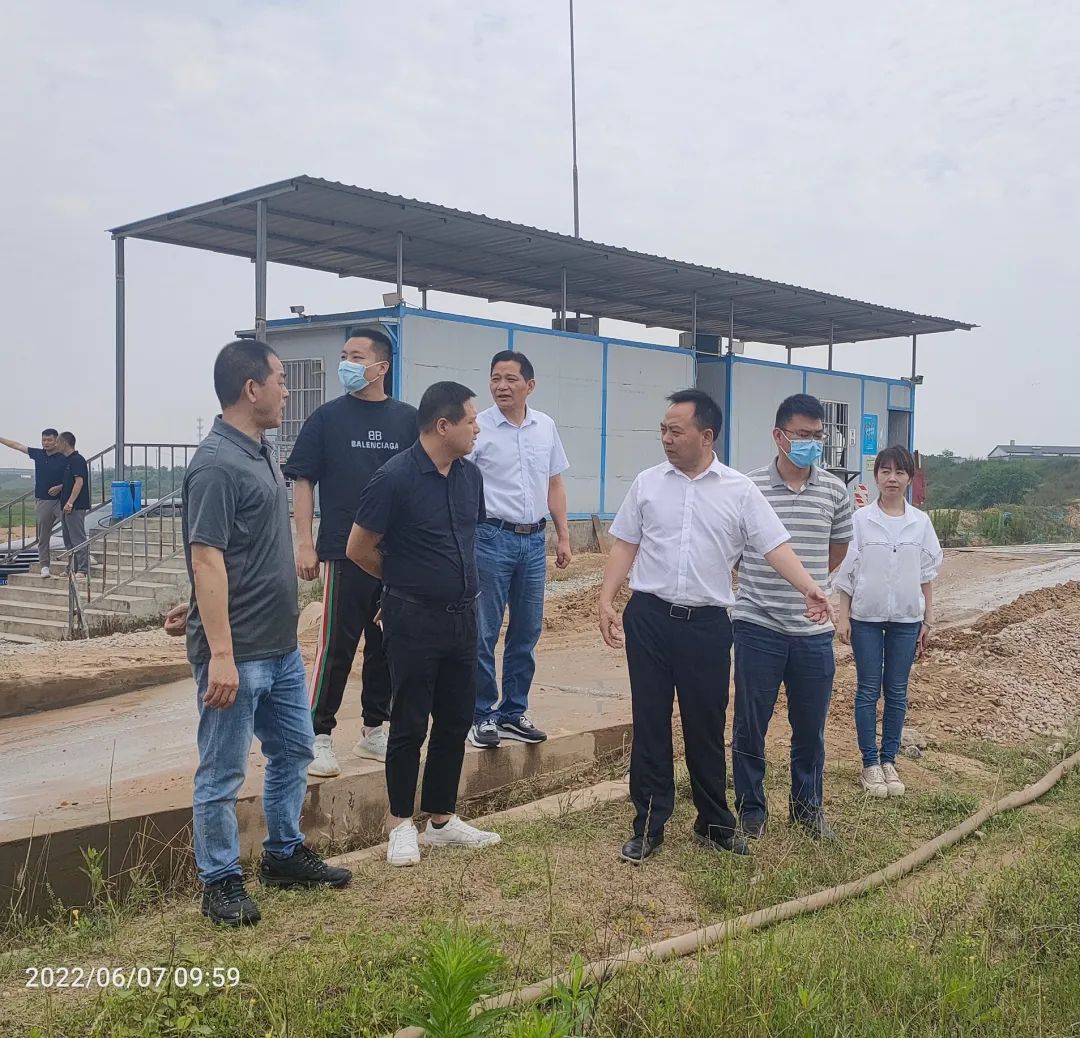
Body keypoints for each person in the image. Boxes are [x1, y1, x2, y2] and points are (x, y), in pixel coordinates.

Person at [598, 390, 831, 863]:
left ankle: (713, 823)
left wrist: (809, 586)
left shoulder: (738, 490)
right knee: (650, 721)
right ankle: (649, 823)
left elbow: (774, 546)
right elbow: (625, 543)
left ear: (706, 436)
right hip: (649, 618)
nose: (666, 438)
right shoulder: (647, 483)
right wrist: (606, 597)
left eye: (676, 431)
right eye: (663, 430)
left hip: (706, 625)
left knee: (705, 725)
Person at [179, 339, 351, 927]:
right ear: (251, 389)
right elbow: (206, 557)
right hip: (239, 652)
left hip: (278, 647)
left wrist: (192, 602)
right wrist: (220, 652)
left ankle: (282, 854)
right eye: (280, 379)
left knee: (295, 749)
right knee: (223, 771)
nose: (286, 390)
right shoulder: (216, 464)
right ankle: (220, 880)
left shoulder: (262, 452)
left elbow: (234, 549)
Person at [347, 381, 501, 867]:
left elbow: (464, 541)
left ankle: (441, 819)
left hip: (463, 617)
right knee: (409, 723)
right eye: (471, 421)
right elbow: (358, 548)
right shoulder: (394, 478)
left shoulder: (469, 477)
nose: (478, 429)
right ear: (443, 425)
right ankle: (400, 824)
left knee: (455, 720)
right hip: (412, 618)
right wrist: (401, 586)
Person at [283, 326, 418, 777]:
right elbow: (303, 480)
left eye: (356, 356)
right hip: (343, 551)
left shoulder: (407, 420)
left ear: (381, 367)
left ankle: (374, 729)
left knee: (387, 644)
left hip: (394, 556)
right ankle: (317, 735)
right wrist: (305, 543)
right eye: (344, 355)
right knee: (336, 645)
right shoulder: (326, 418)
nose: (346, 363)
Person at [731, 394, 853, 841]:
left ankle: (807, 808)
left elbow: (836, 551)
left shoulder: (835, 491)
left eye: (818, 436)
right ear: (778, 436)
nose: (811, 444)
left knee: (810, 727)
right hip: (757, 623)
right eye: (803, 435)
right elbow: (735, 550)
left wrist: (809, 583)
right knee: (750, 724)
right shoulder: (749, 487)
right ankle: (751, 809)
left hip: (812, 631)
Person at [467, 350, 572, 750]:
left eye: (510, 379)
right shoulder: (479, 427)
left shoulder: (545, 426)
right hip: (490, 538)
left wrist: (563, 535)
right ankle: (481, 714)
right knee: (484, 630)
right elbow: (459, 479)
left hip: (533, 541)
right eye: (495, 378)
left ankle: (513, 711)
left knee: (527, 629)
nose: (501, 386)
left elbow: (554, 483)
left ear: (529, 385)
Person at [834, 446, 942, 797]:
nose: (892, 478)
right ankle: (869, 763)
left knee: (896, 690)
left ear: (909, 477)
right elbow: (848, 572)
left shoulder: (920, 523)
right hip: (866, 618)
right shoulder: (861, 521)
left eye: (899, 472)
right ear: (877, 476)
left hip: (906, 620)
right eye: (885, 471)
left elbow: (926, 574)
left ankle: (889, 760)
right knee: (868, 690)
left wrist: (927, 619)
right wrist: (843, 616)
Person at [0, 428, 67, 577]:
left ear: (56, 441)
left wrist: (61, 486)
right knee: (43, 536)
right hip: (44, 501)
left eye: (49, 440)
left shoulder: (64, 456)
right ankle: (44, 566)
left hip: (62, 500)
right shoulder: (38, 454)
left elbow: (73, 477)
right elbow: (17, 446)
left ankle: (79, 560)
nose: (46, 443)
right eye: (44, 440)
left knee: (70, 531)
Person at [57, 432, 91, 579]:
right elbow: (70, 482)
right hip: (65, 506)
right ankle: (71, 567)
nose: (56, 445)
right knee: (68, 539)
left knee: (77, 538)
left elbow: (79, 482)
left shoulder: (77, 460)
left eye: (58, 442)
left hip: (75, 506)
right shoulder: (68, 461)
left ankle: (83, 569)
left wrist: (70, 502)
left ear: (64, 443)